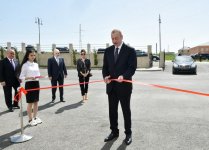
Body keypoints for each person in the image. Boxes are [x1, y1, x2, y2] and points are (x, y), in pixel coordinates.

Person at [102, 29, 137, 145]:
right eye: (112, 39)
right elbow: (105, 67)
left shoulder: (130, 51)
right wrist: (105, 76)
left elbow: (132, 67)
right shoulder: (108, 51)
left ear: (122, 37)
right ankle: (114, 132)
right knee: (112, 111)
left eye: (116, 38)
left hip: (124, 87)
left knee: (126, 111)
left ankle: (128, 133)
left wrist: (124, 76)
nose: (114, 41)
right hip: (111, 87)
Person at [19, 49, 42, 126]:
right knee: (30, 103)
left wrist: (39, 77)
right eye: (31, 55)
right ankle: (30, 119)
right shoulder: (25, 65)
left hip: (36, 83)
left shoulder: (36, 64)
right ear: (28, 56)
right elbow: (21, 77)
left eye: (34, 55)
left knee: (36, 102)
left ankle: (35, 117)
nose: (33, 57)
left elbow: (38, 74)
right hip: (29, 84)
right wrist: (29, 78)